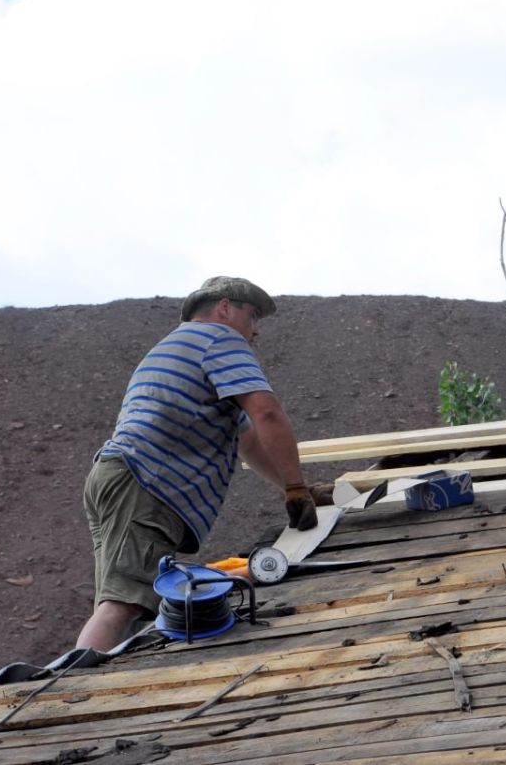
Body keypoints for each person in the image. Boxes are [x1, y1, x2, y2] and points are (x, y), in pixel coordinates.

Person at [76, 276, 323, 650]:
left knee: (125, 597)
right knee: (120, 605)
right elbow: (266, 412)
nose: (255, 332)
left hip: (120, 477)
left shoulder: (177, 348)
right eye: (253, 316)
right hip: (148, 485)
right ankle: (71, 694)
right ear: (224, 308)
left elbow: (248, 441)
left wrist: (296, 488)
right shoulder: (219, 338)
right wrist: (294, 487)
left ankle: (84, 678)